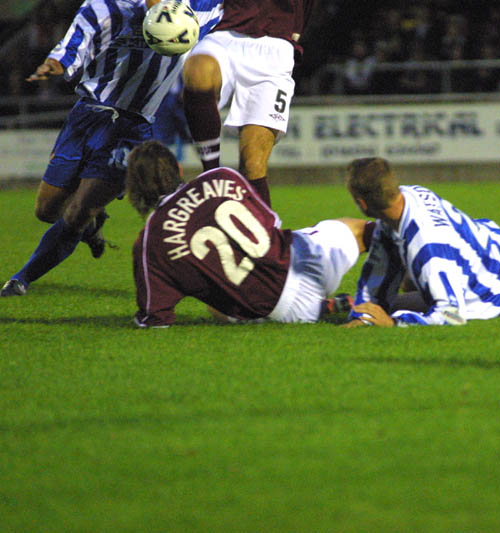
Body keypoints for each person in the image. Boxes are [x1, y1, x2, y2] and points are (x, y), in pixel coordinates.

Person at [1, 0, 224, 298]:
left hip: (133, 128)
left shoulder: (200, 9)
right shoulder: (106, 6)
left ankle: (21, 279)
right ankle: (92, 226)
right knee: (46, 210)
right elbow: (76, 41)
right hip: (88, 116)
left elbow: (240, 17)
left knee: (79, 210)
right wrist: (57, 63)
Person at [127, 140, 370, 327]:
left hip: (280, 311)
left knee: (217, 302)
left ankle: (319, 308)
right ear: (178, 168)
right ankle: (403, 259)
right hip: (308, 262)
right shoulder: (220, 176)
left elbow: (156, 317)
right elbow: (271, 224)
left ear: (135, 188)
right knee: (361, 231)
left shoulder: (149, 241)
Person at [343, 157, 500, 328]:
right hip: (491, 251)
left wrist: (393, 323)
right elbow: (378, 275)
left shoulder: (429, 251)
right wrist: (364, 314)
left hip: (495, 297)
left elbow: (453, 316)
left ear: (362, 203)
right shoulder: (409, 196)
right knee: (408, 287)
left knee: (404, 302)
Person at [181, 0, 315, 207]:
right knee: (198, 70)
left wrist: (294, 33)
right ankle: (212, 175)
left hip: (276, 49)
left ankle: (268, 235)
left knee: (253, 164)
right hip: (225, 33)